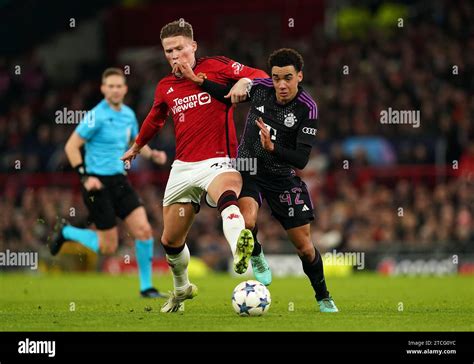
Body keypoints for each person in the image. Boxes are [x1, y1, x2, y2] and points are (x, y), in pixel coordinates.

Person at [121, 19, 270, 313]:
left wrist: (245, 81)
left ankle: (240, 248)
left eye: (179, 48)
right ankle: (181, 289)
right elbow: (155, 118)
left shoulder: (216, 67)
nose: (175, 56)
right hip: (183, 167)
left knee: (227, 196)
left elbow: (262, 76)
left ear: (193, 46)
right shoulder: (165, 86)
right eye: (168, 51)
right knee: (170, 239)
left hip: (219, 160)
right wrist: (138, 146)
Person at [184, 48, 339, 312]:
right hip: (248, 169)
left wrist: (272, 148)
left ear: (299, 76)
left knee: (304, 247)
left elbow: (301, 159)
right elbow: (228, 95)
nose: (281, 84)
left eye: (287, 78)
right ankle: (255, 253)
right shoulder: (260, 88)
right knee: (247, 220)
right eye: (276, 77)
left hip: (282, 177)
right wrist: (201, 82)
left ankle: (323, 296)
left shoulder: (307, 108)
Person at [49, 68, 167, 298]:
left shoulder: (128, 115)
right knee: (108, 247)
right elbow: (71, 147)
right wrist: (85, 177)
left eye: (118, 86)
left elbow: (136, 142)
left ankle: (146, 287)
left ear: (124, 89)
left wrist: (153, 156)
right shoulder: (95, 116)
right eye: (110, 86)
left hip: (119, 181)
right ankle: (67, 232)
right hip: (96, 183)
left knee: (144, 231)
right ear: (103, 89)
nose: (114, 89)